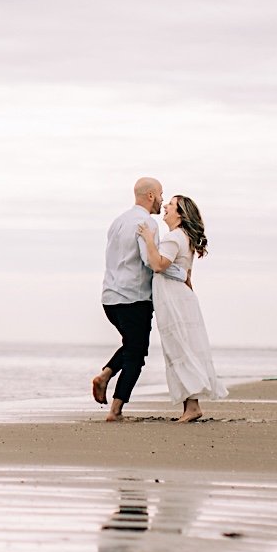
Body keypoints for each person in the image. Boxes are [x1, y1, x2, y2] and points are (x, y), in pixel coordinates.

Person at [91, 177, 186, 422]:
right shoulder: (147, 224)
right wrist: (181, 270)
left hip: (110, 298)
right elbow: (151, 262)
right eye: (162, 194)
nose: (163, 200)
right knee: (136, 353)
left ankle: (105, 375)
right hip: (134, 298)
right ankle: (115, 410)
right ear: (151, 195)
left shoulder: (118, 221)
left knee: (134, 345)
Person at [135, 195, 224, 421]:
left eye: (170, 205)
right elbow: (187, 275)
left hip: (174, 299)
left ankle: (192, 407)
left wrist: (148, 239)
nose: (165, 206)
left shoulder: (174, 237)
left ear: (180, 214)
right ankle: (190, 406)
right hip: (180, 298)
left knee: (179, 349)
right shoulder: (183, 237)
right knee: (183, 348)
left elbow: (158, 265)